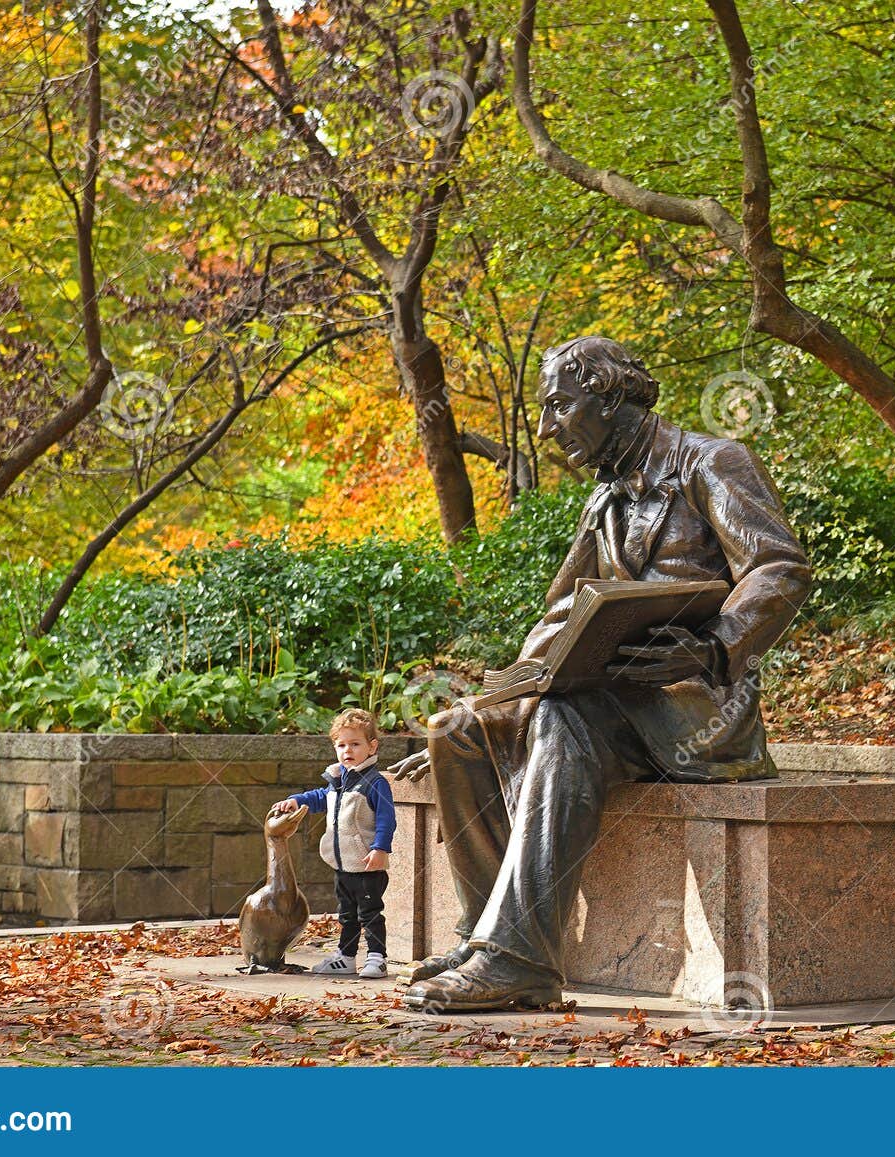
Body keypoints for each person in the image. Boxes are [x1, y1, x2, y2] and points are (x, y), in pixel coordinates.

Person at [389, 335, 811, 1011]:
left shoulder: (711, 462)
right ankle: (488, 937)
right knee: (455, 730)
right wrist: (494, 704)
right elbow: (560, 616)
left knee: (561, 717)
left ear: (610, 395)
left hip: (698, 712)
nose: (548, 428)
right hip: (616, 705)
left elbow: (779, 567)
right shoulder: (605, 499)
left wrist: (712, 647)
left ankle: (517, 956)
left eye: (560, 405)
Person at [272, 708, 395, 979]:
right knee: (347, 914)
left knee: (370, 913)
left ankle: (377, 957)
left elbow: (387, 819)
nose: (347, 750)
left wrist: (380, 848)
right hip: (342, 865)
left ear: (371, 747)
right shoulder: (337, 782)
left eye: (355, 744)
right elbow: (318, 798)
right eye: (341, 745)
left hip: (366, 865)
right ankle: (346, 957)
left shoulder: (374, 783)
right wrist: (297, 800)